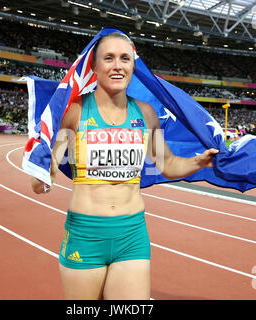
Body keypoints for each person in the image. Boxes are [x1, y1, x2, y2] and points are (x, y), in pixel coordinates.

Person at [30, 33, 218, 300]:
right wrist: (40, 174)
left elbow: (169, 164)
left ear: (133, 66)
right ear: (94, 67)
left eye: (125, 59)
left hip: (132, 234)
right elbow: (44, 175)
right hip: (86, 234)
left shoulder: (146, 114)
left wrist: (198, 161)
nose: (117, 65)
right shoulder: (74, 112)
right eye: (109, 58)